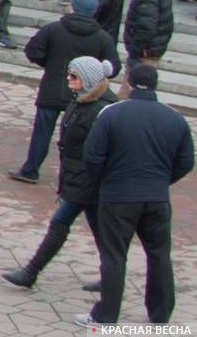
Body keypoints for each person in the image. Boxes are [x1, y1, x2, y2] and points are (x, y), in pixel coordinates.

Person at [79, 62, 193, 326]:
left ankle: (105, 315)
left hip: (118, 196)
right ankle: (160, 314)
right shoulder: (174, 117)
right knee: (159, 254)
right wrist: (162, 180)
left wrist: (106, 182)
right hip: (156, 197)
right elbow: (186, 161)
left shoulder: (111, 113)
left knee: (114, 255)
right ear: (156, 84)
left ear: (128, 83)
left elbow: (92, 156)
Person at [2, 56, 118, 291]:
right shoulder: (81, 100)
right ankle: (112, 276)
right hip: (77, 178)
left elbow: (101, 150)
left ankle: (31, 272)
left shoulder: (102, 110)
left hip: (87, 181)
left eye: (73, 76)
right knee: (101, 232)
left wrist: (83, 178)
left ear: (88, 80)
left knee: (61, 222)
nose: (68, 79)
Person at [10, 0, 119, 184]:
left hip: (53, 87)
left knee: (42, 133)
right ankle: (73, 175)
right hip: (84, 94)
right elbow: (113, 67)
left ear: (73, 7)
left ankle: (31, 170)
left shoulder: (53, 29)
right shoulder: (103, 38)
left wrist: (50, 64)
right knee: (77, 136)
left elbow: (32, 51)